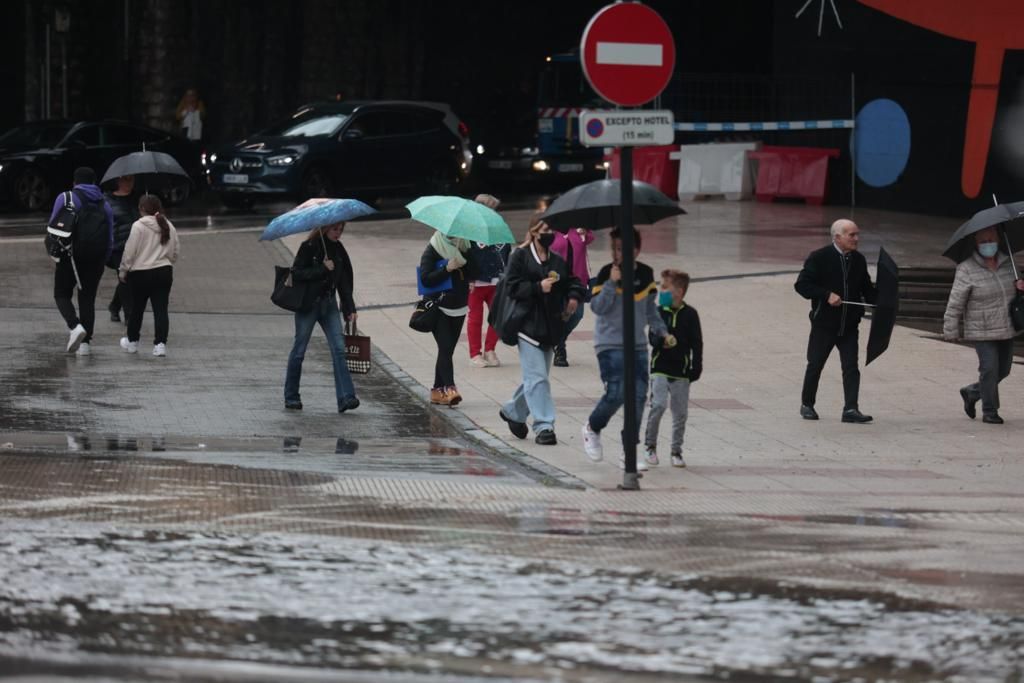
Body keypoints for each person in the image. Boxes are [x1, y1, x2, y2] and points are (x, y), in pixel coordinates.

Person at [580, 227, 668, 470]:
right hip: (609, 344)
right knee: (617, 393)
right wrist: (611, 283)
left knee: (639, 397)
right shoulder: (607, 273)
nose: (618, 254)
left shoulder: (646, 274)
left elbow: (651, 310)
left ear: (636, 250)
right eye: (615, 249)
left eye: (624, 249)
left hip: (637, 346)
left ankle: (628, 451)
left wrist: (662, 330)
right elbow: (598, 307)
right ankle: (592, 427)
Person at [498, 218, 586, 444]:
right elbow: (512, 286)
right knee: (537, 378)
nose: (549, 234)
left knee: (537, 378)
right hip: (527, 326)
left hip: (550, 326)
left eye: (551, 230)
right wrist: (538, 287)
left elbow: (573, 282)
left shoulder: (557, 261)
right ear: (533, 232)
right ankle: (544, 426)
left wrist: (574, 297)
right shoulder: (520, 256)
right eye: (544, 230)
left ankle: (513, 411)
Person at [794, 218, 877, 423]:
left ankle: (850, 409)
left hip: (849, 325)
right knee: (815, 364)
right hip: (824, 324)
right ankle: (807, 404)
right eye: (852, 235)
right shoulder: (819, 257)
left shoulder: (858, 260)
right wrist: (826, 294)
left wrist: (881, 301)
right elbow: (802, 285)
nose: (856, 239)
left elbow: (866, 288)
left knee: (851, 367)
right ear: (837, 237)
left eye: (857, 234)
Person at [943, 226, 1024, 424]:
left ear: (998, 240)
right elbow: (955, 302)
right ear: (976, 244)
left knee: (1003, 370)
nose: (989, 244)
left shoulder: (1009, 264)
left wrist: (1020, 287)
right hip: (982, 328)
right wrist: (951, 329)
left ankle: (972, 392)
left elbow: (1017, 297)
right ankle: (990, 411)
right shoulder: (966, 268)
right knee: (989, 369)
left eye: (992, 240)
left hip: (1007, 325)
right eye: (983, 241)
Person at [283, 221, 359, 412]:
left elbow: (345, 281)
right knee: (299, 350)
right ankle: (291, 396)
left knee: (339, 349)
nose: (338, 233)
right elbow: (297, 272)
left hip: (329, 304)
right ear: (325, 228)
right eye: (335, 229)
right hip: (308, 305)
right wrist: (323, 269)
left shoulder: (339, 249)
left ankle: (346, 397)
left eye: (341, 230)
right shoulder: (308, 247)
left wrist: (349, 308)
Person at [50, 166, 114, 356]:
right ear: (94, 182)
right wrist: (104, 259)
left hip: (69, 257)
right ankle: (85, 345)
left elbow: (54, 226)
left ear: (75, 182)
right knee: (87, 299)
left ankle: (75, 326)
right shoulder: (105, 204)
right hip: (95, 259)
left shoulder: (66, 198)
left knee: (61, 294)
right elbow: (110, 238)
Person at [643, 269, 702, 468]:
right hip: (660, 367)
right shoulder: (658, 312)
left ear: (680, 291)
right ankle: (650, 446)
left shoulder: (691, 315)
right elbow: (652, 337)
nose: (662, 291)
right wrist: (661, 342)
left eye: (665, 287)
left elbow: (697, 343)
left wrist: (696, 366)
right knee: (658, 405)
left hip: (681, 371)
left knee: (680, 413)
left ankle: (676, 451)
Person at [118, 195, 180, 357]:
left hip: (140, 273)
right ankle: (160, 345)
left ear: (141, 209)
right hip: (164, 271)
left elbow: (130, 252)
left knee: (137, 308)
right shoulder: (168, 226)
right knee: (161, 309)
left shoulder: (138, 226)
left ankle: (132, 342)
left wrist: (124, 270)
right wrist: (167, 261)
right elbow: (175, 251)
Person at [419, 229, 475, 406]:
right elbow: (426, 279)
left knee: (448, 349)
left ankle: (437, 390)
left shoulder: (465, 244)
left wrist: (464, 257)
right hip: (439, 307)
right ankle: (451, 389)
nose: (453, 232)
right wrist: (447, 268)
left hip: (459, 306)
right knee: (444, 348)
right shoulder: (433, 248)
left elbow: (475, 271)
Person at [466, 194, 510, 368]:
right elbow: (464, 254)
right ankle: (475, 354)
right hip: (475, 283)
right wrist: (468, 277)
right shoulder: (469, 230)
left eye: (494, 210)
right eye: (491, 209)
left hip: (496, 281)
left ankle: (490, 349)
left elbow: (506, 251)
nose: (494, 213)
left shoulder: (500, 226)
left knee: (498, 316)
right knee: (475, 318)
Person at [550, 225, 595, 367]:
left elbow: (590, 238)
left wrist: (585, 231)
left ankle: (558, 338)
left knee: (576, 315)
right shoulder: (552, 230)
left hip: (578, 281)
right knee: (559, 314)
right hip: (557, 281)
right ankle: (560, 349)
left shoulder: (579, 229)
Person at [105, 175, 139, 323]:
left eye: (131, 180)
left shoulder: (138, 199)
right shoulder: (107, 200)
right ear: (118, 180)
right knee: (125, 279)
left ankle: (114, 306)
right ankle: (129, 315)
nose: (129, 183)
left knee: (131, 278)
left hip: (136, 245)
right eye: (125, 180)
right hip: (117, 247)